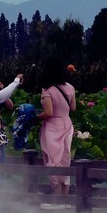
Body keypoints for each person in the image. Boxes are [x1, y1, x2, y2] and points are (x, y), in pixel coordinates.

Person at [36, 57, 76, 197]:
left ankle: (57, 195)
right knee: (65, 159)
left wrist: (35, 117)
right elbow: (73, 108)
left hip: (53, 127)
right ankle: (65, 197)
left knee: (53, 160)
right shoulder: (70, 87)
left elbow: (48, 113)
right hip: (67, 124)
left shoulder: (48, 90)